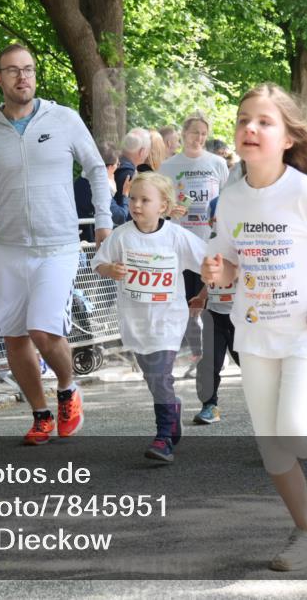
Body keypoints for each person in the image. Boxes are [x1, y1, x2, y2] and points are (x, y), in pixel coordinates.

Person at [204, 83, 307, 571]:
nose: (250, 128)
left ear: (288, 138)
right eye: (243, 120)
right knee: (272, 448)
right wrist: (219, 271)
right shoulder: (231, 198)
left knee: (299, 432)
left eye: (264, 121)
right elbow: (230, 263)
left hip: (306, 332)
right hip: (255, 334)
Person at [0, 43, 113, 445]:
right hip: (9, 247)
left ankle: (67, 387)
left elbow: (97, 169)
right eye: (12, 70)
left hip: (58, 244)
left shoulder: (64, 119)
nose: (22, 76)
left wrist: (103, 222)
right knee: (14, 337)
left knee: (42, 329)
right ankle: (40, 413)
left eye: (28, 69)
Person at [92, 172, 207, 461]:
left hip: (168, 318)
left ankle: (163, 437)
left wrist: (211, 285)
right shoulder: (122, 235)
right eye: (133, 198)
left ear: (163, 206)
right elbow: (99, 263)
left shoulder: (176, 236)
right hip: (135, 320)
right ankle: (173, 409)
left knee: (159, 373)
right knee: (153, 377)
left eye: (145, 200)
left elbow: (207, 262)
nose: (136, 205)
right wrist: (111, 270)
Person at [159, 114, 229, 379]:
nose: (198, 137)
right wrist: (168, 210)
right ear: (183, 133)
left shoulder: (217, 164)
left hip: (211, 241)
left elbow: (228, 200)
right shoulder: (168, 167)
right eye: (194, 132)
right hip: (181, 243)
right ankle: (198, 353)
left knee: (210, 300)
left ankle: (215, 353)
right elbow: (159, 203)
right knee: (187, 302)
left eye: (203, 133)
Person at [187, 195, 240, 424]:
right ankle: (209, 406)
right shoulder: (209, 245)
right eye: (215, 219)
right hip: (215, 316)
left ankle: (275, 403)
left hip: (242, 318)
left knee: (254, 366)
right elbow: (212, 279)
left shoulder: (244, 243)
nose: (219, 223)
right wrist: (201, 296)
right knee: (208, 363)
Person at [75, 143, 129, 242]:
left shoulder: (80, 181)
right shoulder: (100, 188)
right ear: (109, 167)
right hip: (92, 241)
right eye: (117, 164)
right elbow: (120, 217)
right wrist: (125, 194)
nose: (118, 167)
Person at [114, 128, 151, 205]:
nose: (147, 155)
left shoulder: (112, 164)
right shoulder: (130, 176)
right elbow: (131, 208)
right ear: (142, 152)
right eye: (148, 151)